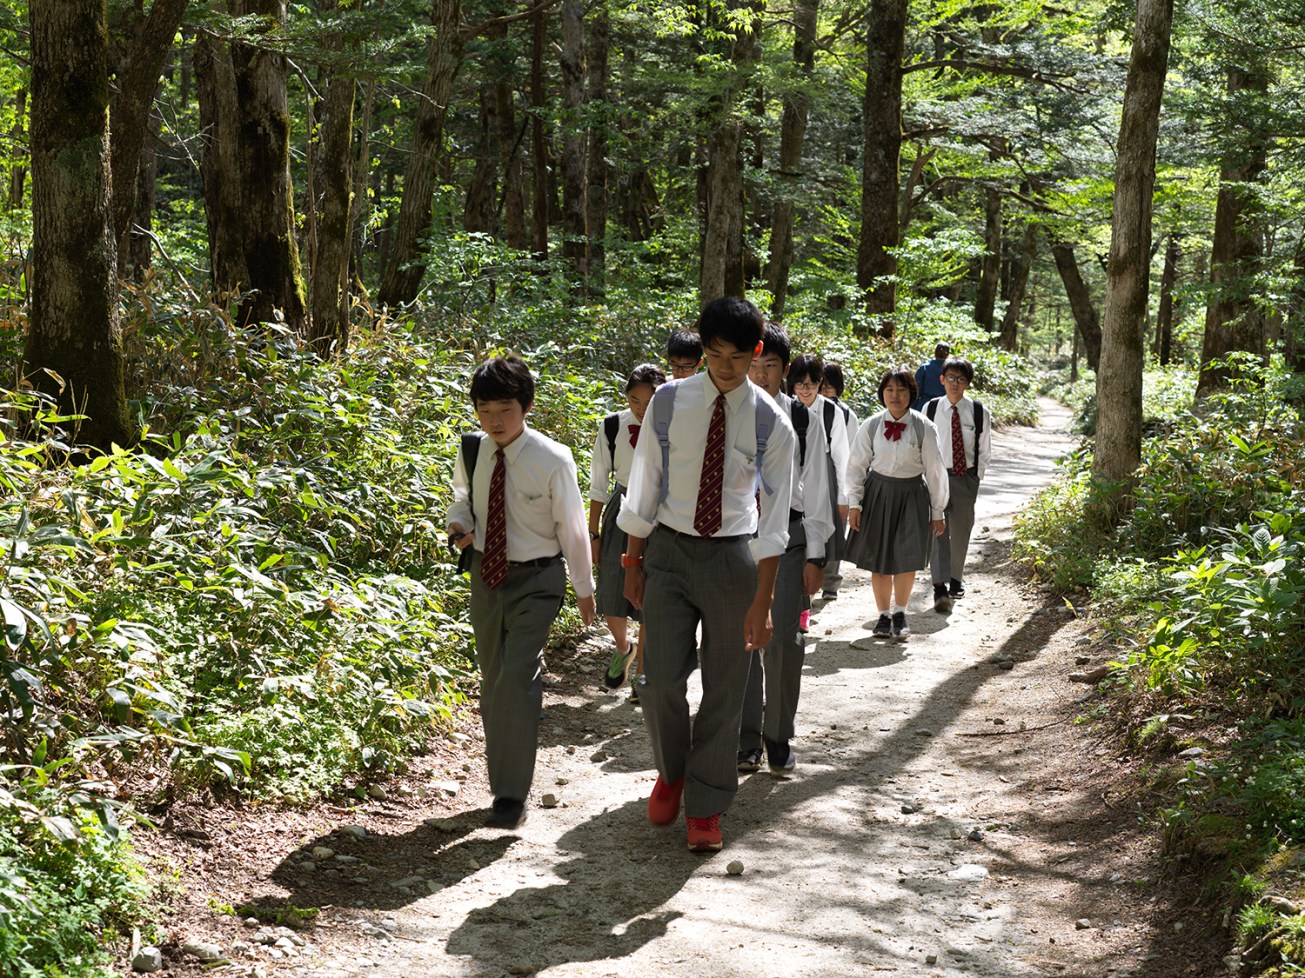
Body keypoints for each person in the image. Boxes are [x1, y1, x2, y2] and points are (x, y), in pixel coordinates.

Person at [619, 296, 796, 853]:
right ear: (702, 348)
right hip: (668, 553)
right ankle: (672, 770)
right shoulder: (670, 403)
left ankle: (708, 804)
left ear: (757, 354)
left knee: (726, 685)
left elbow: (774, 519)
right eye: (715, 354)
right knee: (660, 679)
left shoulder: (771, 421)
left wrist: (763, 601)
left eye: (738, 357)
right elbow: (644, 485)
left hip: (731, 558)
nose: (725, 367)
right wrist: (631, 561)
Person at [447, 356, 596, 830]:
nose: (494, 419)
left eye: (505, 409)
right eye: (484, 408)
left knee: (516, 676)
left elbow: (572, 529)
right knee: (493, 685)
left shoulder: (553, 459)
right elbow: (461, 497)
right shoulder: (473, 450)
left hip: (538, 578)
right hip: (486, 578)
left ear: (526, 406)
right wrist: (460, 523)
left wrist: (585, 589)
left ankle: (511, 796)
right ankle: (503, 784)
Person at [738, 327, 832, 777]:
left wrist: (816, 556)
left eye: (770, 366)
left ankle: (777, 735)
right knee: (737, 638)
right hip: (736, 537)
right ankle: (745, 736)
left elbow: (816, 486)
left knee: (784, 646)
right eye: (753, 365)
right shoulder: (728, 410)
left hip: (790, 538)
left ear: (785, 369)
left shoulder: (802, 418)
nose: (760, 375)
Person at [844, 366, 949, 641]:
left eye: (902, 389)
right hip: (877, 493)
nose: (895, 395)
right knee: (879, 560)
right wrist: (855, 503)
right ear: (882, 393)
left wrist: (937, 510)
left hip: (912, 494)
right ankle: (882, 615)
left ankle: (901, 612)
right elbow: (856, 466)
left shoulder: (924, 427)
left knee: (906, 558)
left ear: (912, 393)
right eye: (889, 389)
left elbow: (935, 469)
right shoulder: (872, 424)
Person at [588, 364, 666, 691]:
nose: (641, 407)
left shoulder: (674, 426)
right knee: (610, 588)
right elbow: (597, 483)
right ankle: (623, 647)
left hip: (662, 512)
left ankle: (642, 675)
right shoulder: (611, 427)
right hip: (622, 507)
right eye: (635, 400)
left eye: (648, 401)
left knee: (652, 592)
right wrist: (593, 532)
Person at [923, 356, 991, 613]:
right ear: (942, 379)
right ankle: (939, 585)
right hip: (937, 476)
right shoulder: (930, 409)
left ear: (967, 383)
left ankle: (955, 579)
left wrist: (976, 478)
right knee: (938, 529)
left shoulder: (977, 411)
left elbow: (985, 448)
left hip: (965, 478)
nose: (955, 383)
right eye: (950, 378)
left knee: (961, 530)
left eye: (961, 379)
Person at [788, 354, 851, 612]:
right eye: (800, 383)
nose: (805, 389)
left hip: (823, 475)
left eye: (811, 383)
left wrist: (843, 498)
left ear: (820, 383)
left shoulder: (830, 411)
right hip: (790, 476)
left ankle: (809, 598)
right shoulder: (783, 408)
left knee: (818, 540)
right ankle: (799, 602)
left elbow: (841, 456)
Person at [913, 342, 950, 411]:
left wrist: (913, 408)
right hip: (944, 406)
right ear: (947, 354)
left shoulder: (925, 368)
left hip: (924, 405)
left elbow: (916, 390)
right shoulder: (951, 370)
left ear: (935, 352)